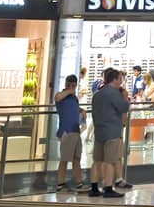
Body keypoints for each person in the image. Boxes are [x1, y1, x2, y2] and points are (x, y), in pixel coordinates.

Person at [89, 67, 129, 198]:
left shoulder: (98, 94)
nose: (121, 81)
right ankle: (108, 187)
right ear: (115, 79)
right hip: (112, 132)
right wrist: (125, 97)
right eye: (120, 79)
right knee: (110, 161)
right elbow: (124, 107)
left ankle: (94, 187)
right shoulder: (114, 94)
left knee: (97, 160)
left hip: (100, 131)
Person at [54, 74, 85, 191]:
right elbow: (57, 98)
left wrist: (81, 110)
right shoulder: (61, 96)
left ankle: (79, 182)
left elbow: (75, 108)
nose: (71, 86)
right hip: (66, 131)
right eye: (68, 83)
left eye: (73, 84)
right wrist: (69, 91)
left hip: (76, 131)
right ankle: (60, 183)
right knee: (64, 159)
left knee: (77, 158)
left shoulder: (74, 98)